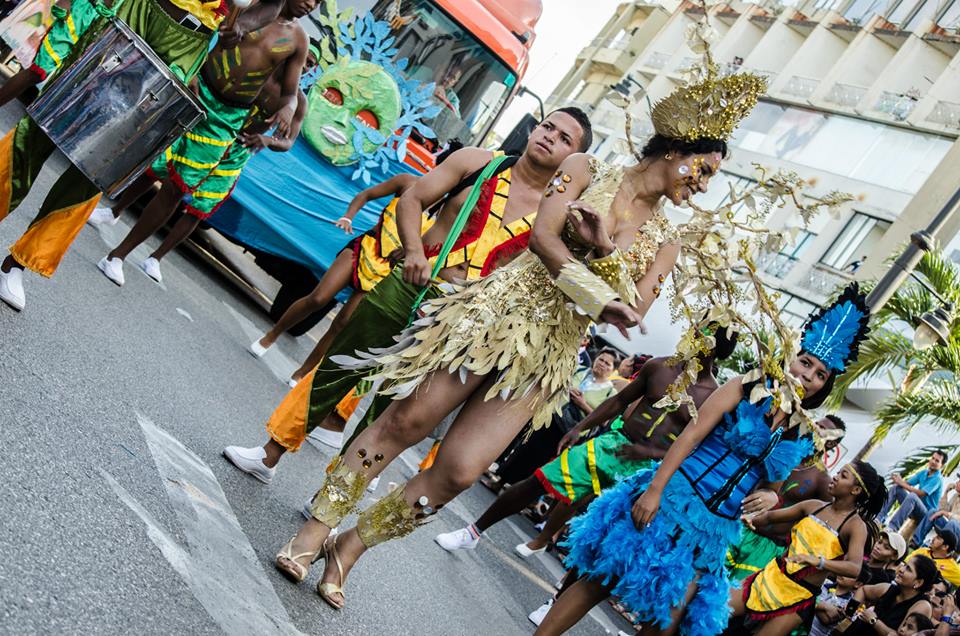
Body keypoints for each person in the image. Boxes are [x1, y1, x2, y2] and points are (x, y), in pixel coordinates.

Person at [271, 68, 767, 611]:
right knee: (404, 423)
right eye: (703, 168)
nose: (702, 184)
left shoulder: (666, 241)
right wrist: (599, 282)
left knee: (459, 471)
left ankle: (351, 547)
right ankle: (314, 532)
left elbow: (634, 310)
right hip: (498, 313)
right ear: (675, 149)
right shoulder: (584, 167)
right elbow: (545, 237)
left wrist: (603, 255)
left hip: (549, 355)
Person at [221, 107, 592, 481]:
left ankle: (331, 501)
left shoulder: (557, 219)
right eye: (547, 127)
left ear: (574, 161)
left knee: (389, 413)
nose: (550, 137)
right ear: (532, 130)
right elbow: (413, 200)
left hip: (459, 323)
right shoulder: (477, 162)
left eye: (565, 139)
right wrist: (414, 252)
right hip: (408, 287)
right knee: (335, 369)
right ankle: (269, 454)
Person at [542, 283, 872, 635]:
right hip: (673, 496)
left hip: (715, 530)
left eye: (820, 374)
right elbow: (691, 436)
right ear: (791, 357)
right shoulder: (745, 388)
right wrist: (654, 490)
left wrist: (771, 496)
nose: (808, 376)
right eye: (805, 363)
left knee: (665, 624)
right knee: (603, 578)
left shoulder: (799, 431)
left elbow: (773, 485)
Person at [0, 0, 283, 311]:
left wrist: (242, 24)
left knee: (104, 159)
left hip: (191, 42)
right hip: (142, 8)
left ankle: (18, 264)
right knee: (57, 116)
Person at [434, 326, 736, 555]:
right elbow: (618, 402)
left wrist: (650, 451)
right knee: (540, 481)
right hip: (613, 445)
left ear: (714, 349)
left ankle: (555, 596)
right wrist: (581, 427)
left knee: (606, 534)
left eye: (702, 333)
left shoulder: (714, 397)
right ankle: (472, 533)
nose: (692, 334)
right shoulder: (659, 366)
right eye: (696, 328)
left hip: (651, 472)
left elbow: (693, 447)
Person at [96, 0, 312, 286]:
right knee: (149, 155)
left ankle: (118, 256)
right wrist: (194, 69)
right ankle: (110, 209)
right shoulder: (251, 6)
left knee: (177, 188)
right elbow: (206, 29)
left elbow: (290, 94)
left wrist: (288, 106)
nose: (311, 4)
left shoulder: (298, 40)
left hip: (227, 119)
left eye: (318, 2)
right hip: (198, 88)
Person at [247, 142, 464, 384]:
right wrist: (348, 216)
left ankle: (301, 375)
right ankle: (270, 336)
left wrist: (410, 250)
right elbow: (366, 194)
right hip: (365, 248)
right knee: (319, 298)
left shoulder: (447, 215)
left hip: (385, 270)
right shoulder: (407, 182)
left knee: (342, 324)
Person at [728, 461, 887, 635]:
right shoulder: (813, 506)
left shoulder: (855, 526)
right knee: (715, 611)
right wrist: (750, 518)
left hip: (799, 597)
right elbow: (768, 518)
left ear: (855, 490)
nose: (835, 476)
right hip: (771, 576)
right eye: (838, 472)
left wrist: (817, 561)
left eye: (843, 476)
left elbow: (854, 568)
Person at [726, 415, 847, 582]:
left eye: (822, 428)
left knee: (731, 593)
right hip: (737, 527)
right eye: (816, 423)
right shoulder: (782, 451)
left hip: (767, 547)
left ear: (831, 443)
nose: (814, 427)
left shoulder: (822, 480)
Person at [837, 554, 937, 636]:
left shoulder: (922, 606)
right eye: (905, 565)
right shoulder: (889, 589)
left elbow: (900, 635)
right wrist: (850, 610)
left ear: (918, 582)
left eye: (908, 569)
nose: (901, 569)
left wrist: (873, 620)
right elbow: (863, 590)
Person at [880, 452, 947, 536]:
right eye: (933, 458)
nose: (933, 461)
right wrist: (898, 480)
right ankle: (879, 519)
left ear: (942, 465)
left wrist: (901, 483)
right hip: (914, 508)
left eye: (937, 461)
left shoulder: (938, 479)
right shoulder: (924, 473)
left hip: (925, 516)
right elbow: (906, 484)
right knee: (896, 488)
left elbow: (921, 493)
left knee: (913, 496)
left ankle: (892, 527)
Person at [808, 569, 870, 636]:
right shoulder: (823, 582)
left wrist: (811, 605)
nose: (843, 574)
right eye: (844, 570)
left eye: (849, 574)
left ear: (857, 584)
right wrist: (825, 606)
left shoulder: (851, 604)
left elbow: (826, 619)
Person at [915, 480, 960, 548]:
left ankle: (933, 548)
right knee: (933, 512)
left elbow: (957, 520)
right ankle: (915, 542)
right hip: (950, 530)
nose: (956, 482)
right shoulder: (956, 496)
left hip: (957, 537)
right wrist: (946, 492)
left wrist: (945, 513)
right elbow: (943, 510)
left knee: (953, 523)